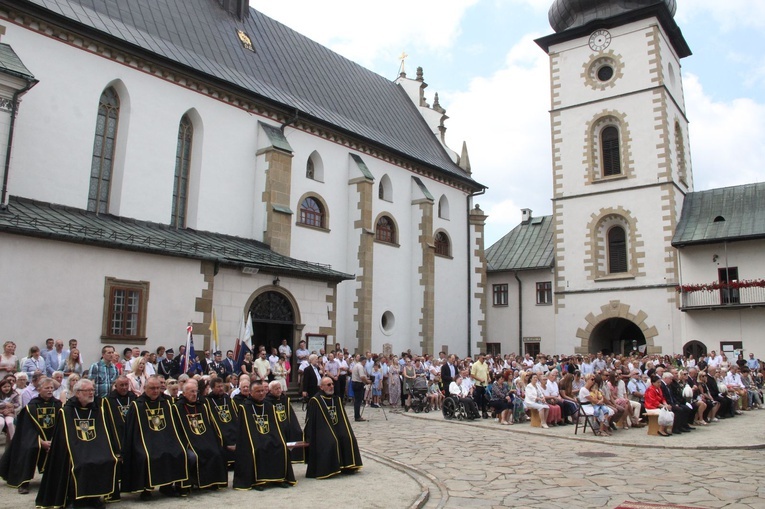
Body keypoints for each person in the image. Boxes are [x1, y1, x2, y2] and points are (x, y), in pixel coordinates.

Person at [35, 379, 119, 509]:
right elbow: (63, 439)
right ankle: (74, 499)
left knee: (106, 460)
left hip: (95, 449)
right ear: (77, 393)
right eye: (87, 390)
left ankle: (94, 498)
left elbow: (104, 433)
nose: (91, 393)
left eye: (92, 390)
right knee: (80, 464)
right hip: (72, 451)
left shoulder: (98, 409)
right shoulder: (67, 411)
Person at [121, 375, 188, 499]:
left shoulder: (167, 403)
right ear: (145, 388)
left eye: (158, 388)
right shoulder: (137, 405)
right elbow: (131, 431)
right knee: (146, 456)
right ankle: (146, 489)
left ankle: (167, 486)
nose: (156, 391)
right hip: (144, 443)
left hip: (165, 441)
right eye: (152, 388)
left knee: (177, 451)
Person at [0, 377, 61, 493]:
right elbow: (26, 431)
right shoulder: (31, 407)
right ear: (39, 389)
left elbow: (62, 426)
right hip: (35, 440)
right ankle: (24, 482)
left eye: (51, 388)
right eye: (46, 388)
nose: (50, 390)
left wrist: (54, 441)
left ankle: (57, 481)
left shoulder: (58, 405)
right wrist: (41, 442)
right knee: (30, 448)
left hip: (54, 439)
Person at [233, 382, 296, 490]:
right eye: (258, 391)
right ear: (251, 393)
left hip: (269, 436)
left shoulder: (269, 406)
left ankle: (279, 479)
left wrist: (274, 438)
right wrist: (261, 439)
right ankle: (258, 481)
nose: (261, 393)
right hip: (253, 438)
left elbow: (275, 427)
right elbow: (245, 430)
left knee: (280, 445)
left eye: (262, 391)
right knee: (259, 448)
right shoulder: (245, 407)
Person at [173, 379, 228, 492]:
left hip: (203, 440)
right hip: (187, 444)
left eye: (195, 392)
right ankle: (190, 483)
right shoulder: (177, 407)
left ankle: (211, 482)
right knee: (193, 456)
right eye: (191, 392)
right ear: (183, 393)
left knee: (217, 451)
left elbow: (210, 427)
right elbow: (177, 430)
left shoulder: (202, 406)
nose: (194, 394)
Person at [303, 377, 362, 478]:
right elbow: (313, 422)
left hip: (336, 427)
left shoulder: (337, 399)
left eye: (332, 384)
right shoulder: (315, 400)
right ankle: (330, 469)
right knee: (331, 440)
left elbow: (342, 419)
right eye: (328, 385)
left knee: (348, 437)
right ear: (321, 387)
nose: (331, 387)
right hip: (321, 430)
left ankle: (347, 466)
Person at [266, 380, 304, 463]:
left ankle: (294, 457)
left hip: (286, 423)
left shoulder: (285, 399)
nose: (279, 390)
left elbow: (291, 415)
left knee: (297, 432)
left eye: (280, 388)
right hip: (275, 426)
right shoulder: (267, 401)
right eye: (276, 389)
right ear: (270, 390)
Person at [204, 377, 239, 467]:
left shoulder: (228, 399)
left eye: (222, 386)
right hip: (218, 431)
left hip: (232, 428)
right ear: (212, 388)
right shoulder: (207, 401)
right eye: (218, 387)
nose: (220, 388)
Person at [350, 356, 369, 422]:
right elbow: (362, 377)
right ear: (363, 361)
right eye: (365, 362)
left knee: (357, 400)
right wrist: (367, 381)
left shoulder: (356, 365)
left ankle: (357, 415)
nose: (365, 363)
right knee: (358, 400)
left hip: (354, 383)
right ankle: (357, 416)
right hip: (358, 384)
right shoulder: (360, 367)